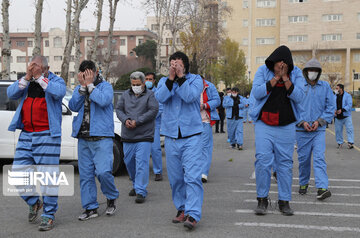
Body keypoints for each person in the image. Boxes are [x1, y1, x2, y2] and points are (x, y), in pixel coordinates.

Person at [7, 56, 66, 231]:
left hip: (47, 135)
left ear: (46, 68)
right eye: (31, 67)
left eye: (37, 67)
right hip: (26, 134)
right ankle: (34, 202)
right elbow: (11, 93)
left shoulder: (56, 80)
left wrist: (40, 78)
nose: (33, 70)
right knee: (17, 173)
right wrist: (26, 77)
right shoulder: (27, 81)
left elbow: (58, 92)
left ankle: (48, 215)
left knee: (48, 178)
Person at [249, 45, 305, 216]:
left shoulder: (296, 74)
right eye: (277, 64)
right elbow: (257, 93)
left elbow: (300, 96)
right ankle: (262, 200)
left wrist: (286, 78)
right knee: (263, 161)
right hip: (264, 124)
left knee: (285, 164)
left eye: (284, 64)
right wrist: (275, 78)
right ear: (271, 63)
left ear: (289, 65)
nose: (280, 66)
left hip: (286, 125)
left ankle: (284, 201)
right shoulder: (262, 71)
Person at [155, 51, 203, 230]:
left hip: (192, 136)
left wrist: (181, 78)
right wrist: (170, 79)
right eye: (172, 63)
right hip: (171, 136)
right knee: (176, 178)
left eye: (179, 63)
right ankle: (181, 209)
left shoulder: (195, 80)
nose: (175, 66)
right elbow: (160, 97)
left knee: (192, 177)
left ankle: (193, 214)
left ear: (185, 65)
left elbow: (190, 96)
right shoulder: (163, 81)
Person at [69, 60, 119, 221]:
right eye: (84, 74)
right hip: (83, 137)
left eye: (90, 73)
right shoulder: (80, 88)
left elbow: (104, 100)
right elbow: (73, 106)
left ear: (96, 72)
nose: (87, 77)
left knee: (103, 172)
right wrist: (83, 87)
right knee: (85, 176)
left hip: (102, 137)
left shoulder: (105, 87)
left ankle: (111, 197)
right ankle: (90, 207)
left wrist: (90, 86)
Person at [116, 71, 159, 204]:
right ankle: (135, 184)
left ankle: (141, 190)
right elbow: (119, 110)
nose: (136, 86)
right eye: (133, 84)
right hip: (128, 135)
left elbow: (153, 110)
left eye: (138, 84)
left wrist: (138, 121)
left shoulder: (150, 95)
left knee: (142, 163)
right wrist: (125, 120)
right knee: (129, 162)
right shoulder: (124, 95)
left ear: (143, 84)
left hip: (144, 135)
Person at [296, 58, 335, 200]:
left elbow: (331, 107)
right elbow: (293, 106)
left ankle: (322, 187)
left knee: (319, 158)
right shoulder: (299, 86)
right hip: (301, 130)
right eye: (310, 70)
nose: (313, 73)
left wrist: (320, 121)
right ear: (305, 72)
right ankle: (303, 183)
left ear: (319, 73)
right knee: (304, 159)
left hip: (318, 130)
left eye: (316, 71)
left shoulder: (325, 87)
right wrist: (302, 121)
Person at [200, 77, 220, 183]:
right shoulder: (187, 85)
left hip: (205, 121)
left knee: (205, 147)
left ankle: (203, 173)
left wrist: (205, 105)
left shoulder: (209, 86)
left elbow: (217, 101)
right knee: (192, 148)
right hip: (190, 123)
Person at [144, 72, 164, 181]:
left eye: (150, 79)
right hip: (142, 125)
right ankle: (140, 172)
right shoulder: (141, 92)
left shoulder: (158, 93)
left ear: (154, 81)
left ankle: (158, 171)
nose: (148, 81)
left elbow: (160, 109)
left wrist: (147, 117)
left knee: (155, 148)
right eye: (146, 79)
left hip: (154, 124)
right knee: (141, 149)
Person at [334, 84, 354, 149]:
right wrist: (333, 111)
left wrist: (342, 110)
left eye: (337, 88)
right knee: (338, 130)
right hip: (337, 117)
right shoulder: (334, 96)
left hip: (346, 116)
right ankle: (340, 143)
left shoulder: (348, 96)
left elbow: (349, 105)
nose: (336, 90)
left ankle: (350, 143)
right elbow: (332, 104)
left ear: (341, 89)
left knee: (349, 129)